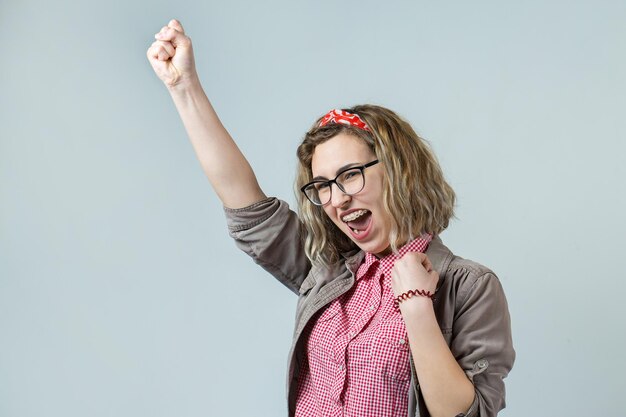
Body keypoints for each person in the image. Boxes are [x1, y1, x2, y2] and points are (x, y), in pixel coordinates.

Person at [147, 19, 515, 417]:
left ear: (399, 170)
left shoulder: (469, 287)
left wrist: (415, 304)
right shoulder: (327, 269)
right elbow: (247, 209)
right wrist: (184, 88)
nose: (337, 199)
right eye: (322, 185)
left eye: (350, 175)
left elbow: (466, 414)